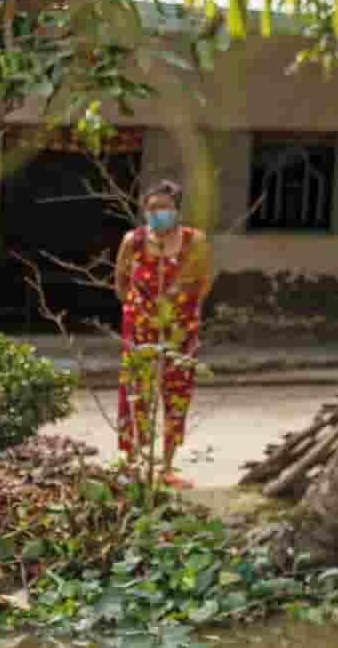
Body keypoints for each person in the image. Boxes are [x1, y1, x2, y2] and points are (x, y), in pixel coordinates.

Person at [113, 180, 212, 483]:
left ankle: (167, 467)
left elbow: (203, 282)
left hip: (180, 327)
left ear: (177, 209)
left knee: (177, 389)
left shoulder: (194, 241)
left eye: (165, 207)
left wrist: (181, 312)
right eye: (152, 207)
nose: (158, 213)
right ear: (144, 210)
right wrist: (141, 310)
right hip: (140, 324)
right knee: (135, 389)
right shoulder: (134, 240)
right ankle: (132, 463)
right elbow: (120, 282)